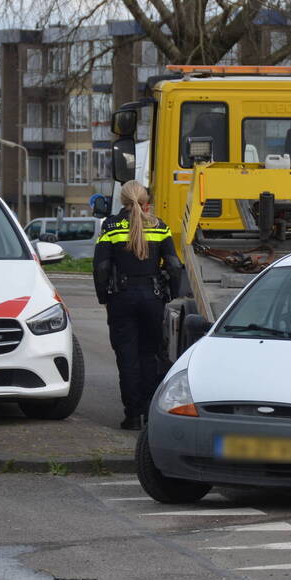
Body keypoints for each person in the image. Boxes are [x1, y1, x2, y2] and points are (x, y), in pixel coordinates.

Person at [93, 180, 181, 430]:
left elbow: (101, 267)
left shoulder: (110, 226)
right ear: (145, 202)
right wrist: (171, 295)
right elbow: (174, 266)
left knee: (127, 356)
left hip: (121, 298)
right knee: (151, 355)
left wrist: (104, 298)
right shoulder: (159, 226)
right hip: (153, 298)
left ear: (123, 200)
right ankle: (150, 413)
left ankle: (132, 416)